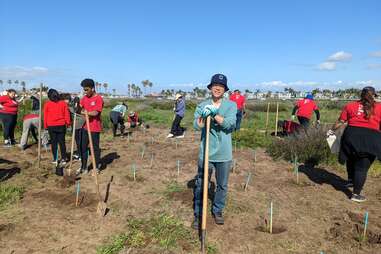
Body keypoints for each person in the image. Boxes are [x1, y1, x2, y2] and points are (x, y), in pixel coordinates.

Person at [192, 74, 237, 229]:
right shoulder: (202, 105)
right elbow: (196, 126)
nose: (218, 88)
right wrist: (204, 116)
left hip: (224, 154)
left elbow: (230, 125)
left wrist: (215, 114)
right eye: (215, 85)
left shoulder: (231, 106)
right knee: (200, 184)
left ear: (224, 89)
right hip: (206, 153)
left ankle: (217, 210)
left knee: (222, 185)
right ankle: (198, 214)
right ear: (210, 87)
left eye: (221, 86)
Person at [329, 86, 381, 203]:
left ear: (360, 95)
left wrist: (331, 131)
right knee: (362, 168)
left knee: (351, 158)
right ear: (374, 95)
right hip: (370, 138)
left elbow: (340, 122)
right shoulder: (380, 107)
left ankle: (351, 181)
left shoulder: (350, 105)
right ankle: (356, 194)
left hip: (351, 136)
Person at [77, 78, 104, 174]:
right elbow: (79, 108)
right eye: (84, 89)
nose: (85, 92)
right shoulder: (84, 98)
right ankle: (84, 167)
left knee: (95, 148)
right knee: (83, 147)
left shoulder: (98, 99)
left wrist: (86, 112)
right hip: (85, 127)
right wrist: (76, 106)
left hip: (94, 128)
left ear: (92, 88)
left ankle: (96, 167)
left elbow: (96, 113)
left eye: (86, 89)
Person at [44, 89, 71, 165]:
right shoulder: (63, 103)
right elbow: (67, 114)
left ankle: (55, 159)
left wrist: (45, 126)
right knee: (62, 142)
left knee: (54, 143)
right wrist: (68, 123)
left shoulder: (47, 104)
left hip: (51, 126)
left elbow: (45, 116)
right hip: (61, 125)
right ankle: (63, 158)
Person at [68, 96, 85, 160]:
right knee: (81, 140)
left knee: (78, 140)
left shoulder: (72, 108)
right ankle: (81, 153)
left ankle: (80, 154)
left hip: (77, 126)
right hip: (82, 124)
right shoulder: (82, 107)